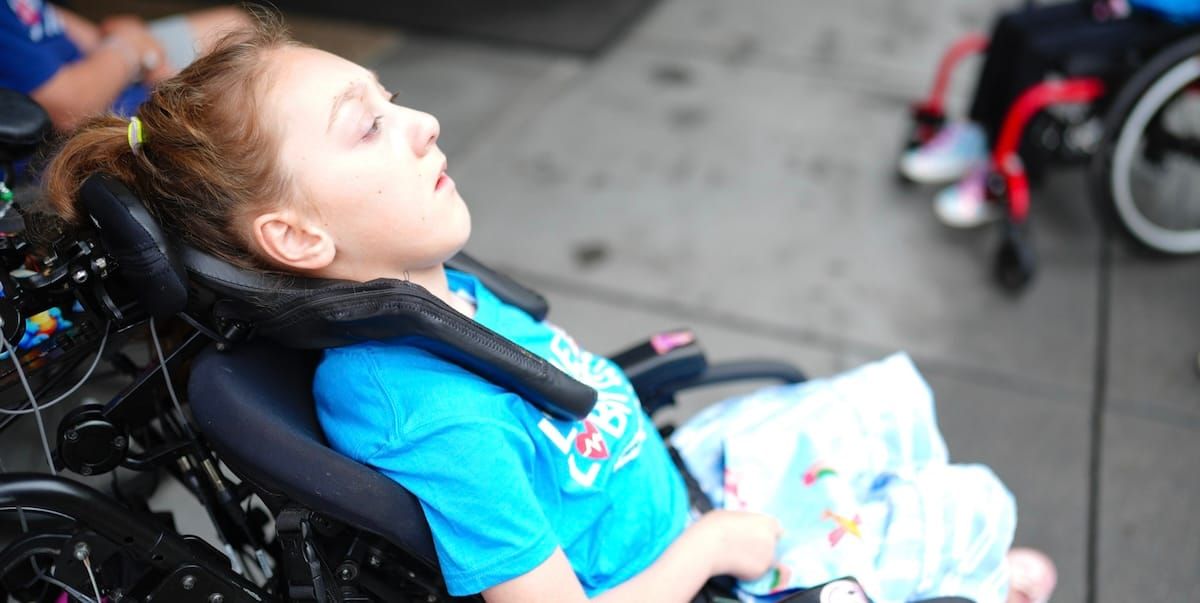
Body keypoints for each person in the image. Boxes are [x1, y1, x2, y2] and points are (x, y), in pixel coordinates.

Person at [40, 16, 1058, 603]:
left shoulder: (429, 295)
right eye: (371, 129)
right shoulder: (415, 404)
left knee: (884, 411)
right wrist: (707, 552)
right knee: (998, 535)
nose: (424, 123)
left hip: (675, 495)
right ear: (299, 240)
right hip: (686, 571)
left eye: (395, 100)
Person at [899, 0, 1200, 228]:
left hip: (1162, 22)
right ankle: (979, 133)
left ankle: (1011, 167)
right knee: (1011, 26)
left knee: (1035, 50)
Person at [0, 0, 251, 132]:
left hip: (105, 68)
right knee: (234, 100)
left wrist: (130, 43)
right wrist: (131, 50)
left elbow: (94, 35)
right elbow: (71, 109)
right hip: (94, 113)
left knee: (235, 26)